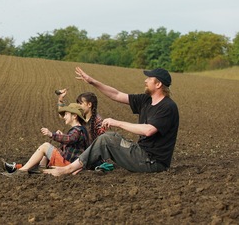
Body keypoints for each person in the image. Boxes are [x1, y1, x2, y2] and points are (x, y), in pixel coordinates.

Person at [44, 67, 179, 176]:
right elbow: (116, 94)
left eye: (149, 78)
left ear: (158, 84)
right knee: (110, 137)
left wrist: (118, 122)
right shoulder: (146, 100)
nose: (145, 80)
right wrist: (92, 82)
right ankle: (79, 165)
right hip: (141, 153)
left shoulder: (167, 107)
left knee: (107, 139)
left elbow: (148, 130)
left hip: (152, 162)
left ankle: (68, 169)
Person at [3, 103, 89, 175]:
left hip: (68, 164)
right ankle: (28, 169)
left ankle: (21, 171)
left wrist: (52, 134)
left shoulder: (77, 130)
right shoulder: (79, 130)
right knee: (45, 153)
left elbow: (70, 139)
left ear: (74, 116)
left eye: (66, 114)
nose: (64, 117)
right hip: (71, 163)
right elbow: (71, 141)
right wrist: (62, 136)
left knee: (45, 146)